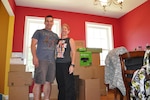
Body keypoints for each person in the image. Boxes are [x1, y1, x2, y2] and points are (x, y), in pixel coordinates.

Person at [31, 15, 59, 100]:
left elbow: (59, 48)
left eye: (51, 21)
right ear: (44, 22)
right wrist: (35, 57)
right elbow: (33, 45)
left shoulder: (55, 35)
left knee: (48, 82)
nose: (49, 23)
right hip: (41, 60)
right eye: (47, 21)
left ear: (53, 23)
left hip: (52, 61)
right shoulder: (39, 32)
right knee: (38, 82)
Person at [56, 23, 76, 100]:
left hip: (66, 64)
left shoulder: (70, 40)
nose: (63, 30)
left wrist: (72, 65)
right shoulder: (57, 41)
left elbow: (74, 52)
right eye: (62, 29)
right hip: (58, 64)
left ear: (68, 31)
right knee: (60, 85)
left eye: (65, 29)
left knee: (68, 85)